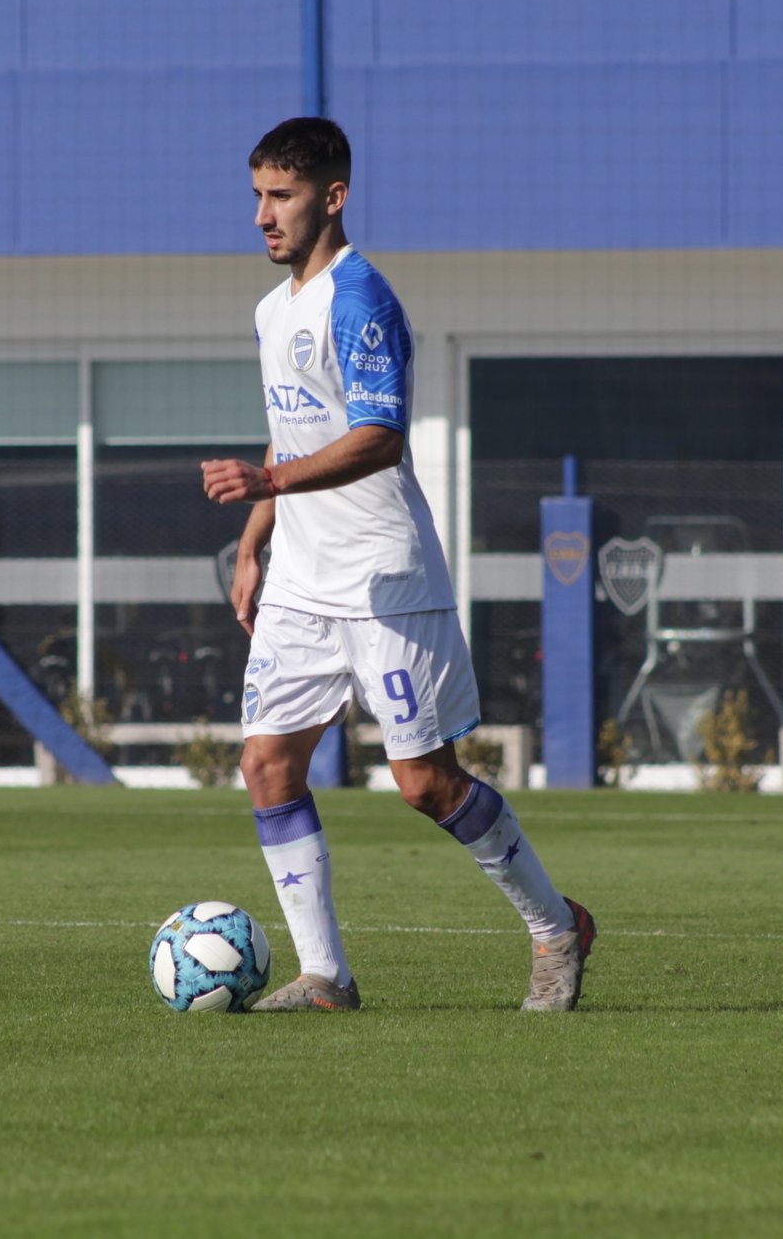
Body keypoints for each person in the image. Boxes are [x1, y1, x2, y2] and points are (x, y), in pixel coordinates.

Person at [201, 117, 596, 1012]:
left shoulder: (362, 297)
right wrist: (257, 541)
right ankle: (325, 976)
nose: (263, 215)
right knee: (268, 764)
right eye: (258, 195)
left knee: (425, 782)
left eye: (282, 196)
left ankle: (556, 926)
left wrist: (267, 479)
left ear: (332, 198)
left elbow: (378, 437)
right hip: (302, 580)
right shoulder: (272, 310)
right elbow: (294, 425)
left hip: (385, 578)